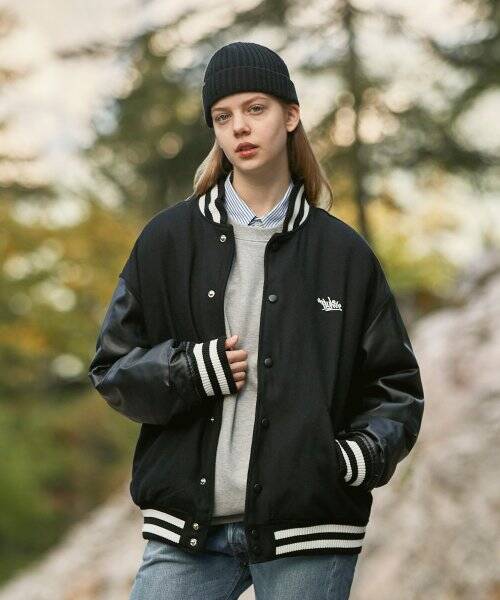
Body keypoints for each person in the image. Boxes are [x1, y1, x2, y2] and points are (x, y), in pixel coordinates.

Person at [88, 41, 425, 599]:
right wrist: (192, 370)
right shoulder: (167, 241)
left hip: (310, 529)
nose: (239, 127)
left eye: (255, 109)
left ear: (290, 116)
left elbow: (395, 387)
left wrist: (355, 457)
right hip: (188, 531)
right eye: (223, 117)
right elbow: (112, 368)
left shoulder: (344, 255)